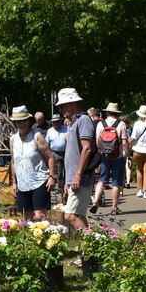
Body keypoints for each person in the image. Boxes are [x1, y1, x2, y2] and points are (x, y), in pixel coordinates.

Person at [57, 87, 96, 230]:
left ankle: (91, 245)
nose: (61, 109)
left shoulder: (84, 120)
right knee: (77, 215)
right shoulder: (76, 121)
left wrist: (77, 175)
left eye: (63, 106)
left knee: (72, 216)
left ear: (73, 103)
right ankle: (90, 247)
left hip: (81, 177)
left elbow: (87, 148)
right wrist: (69, 180)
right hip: (75, 178)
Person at [8, 105, 55, 221]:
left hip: (39, 181)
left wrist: (52, 177)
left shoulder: (37, 136)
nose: (21, 124)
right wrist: (14, 183)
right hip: (23, 184)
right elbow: (13, 162)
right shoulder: (13, 139)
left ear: (28, 121)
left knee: (39, 216)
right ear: (15, 123)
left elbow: (51, 156)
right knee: (26, 218)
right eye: (18, 122)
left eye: (23, 121)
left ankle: (44, 238)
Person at [92, 103, 130, 215]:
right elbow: (124, 142)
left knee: (102, 180)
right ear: (117, 113)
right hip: (118, 156)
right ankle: (114, 208)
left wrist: (100, 153)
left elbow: (97, 141)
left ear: (107, 112)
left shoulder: (100, 124)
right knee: (116, 183)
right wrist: (127, 155)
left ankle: (95, 201)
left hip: (104, 156)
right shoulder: (121, 124)